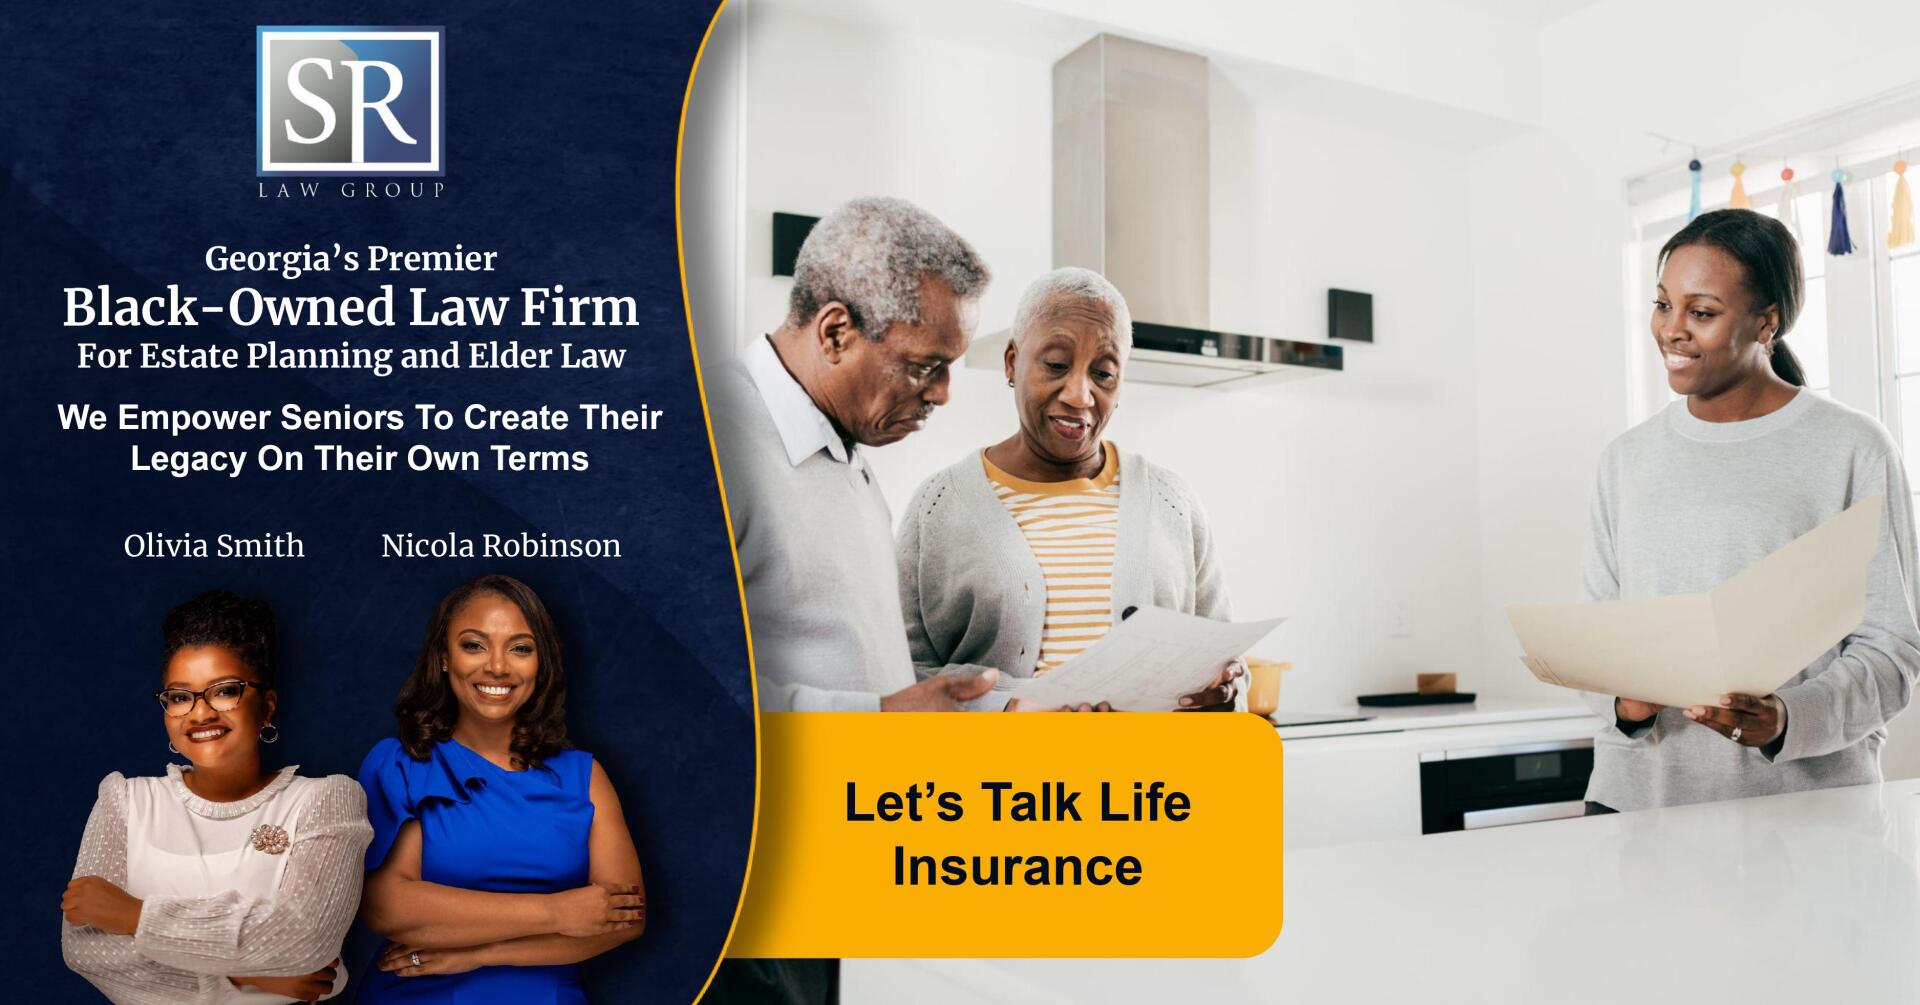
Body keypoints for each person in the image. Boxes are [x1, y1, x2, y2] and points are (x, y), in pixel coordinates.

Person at [1581, 208, 1920, 812]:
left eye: (1702, 312)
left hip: (1806, 813)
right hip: (1635, 808)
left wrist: (1786, 718)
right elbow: (1595, 633)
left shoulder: (1851, 447)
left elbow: (1891, 649)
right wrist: (1622, 702)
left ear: (1767, 323)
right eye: (1663, 304)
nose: (1672, 330)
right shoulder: (1626, 459)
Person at [896, 267, 1243, 712]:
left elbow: (1223, 655)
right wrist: (1005, 708)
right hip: (1003, 762)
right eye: (1056, 365)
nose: (1080, 395)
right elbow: (901, 678)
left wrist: (1226, 689)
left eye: (1104, 374)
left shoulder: (1173, 502)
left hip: (1155, 760)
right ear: (1012, 361)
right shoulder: (938, 507)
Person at [709, 196, 1003, 712]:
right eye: (924, 366)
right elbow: (668, 679)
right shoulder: (709, 438)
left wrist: (999, 709)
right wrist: (880, 719)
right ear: (835, 334)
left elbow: (870, 676)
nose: (942, 393)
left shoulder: (845, 453)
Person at [61, 591, 371, 1004]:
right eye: (179, 697)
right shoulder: (125, 801)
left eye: (224, 691)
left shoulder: (326, 800)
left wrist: (133, 915)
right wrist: (239, 975)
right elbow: (86, 951)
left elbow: (304, 939)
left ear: (267, 708)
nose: (200, 712)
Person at [356, 575, 645, 1003]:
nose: (497, 667)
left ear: (541, 662)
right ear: (443, 657)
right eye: (474, 645)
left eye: (520, 648)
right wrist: (558, 912)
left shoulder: (584, 776)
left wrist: (482, 954)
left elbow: (626, 919)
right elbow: (387, 907)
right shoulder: (403, 765)